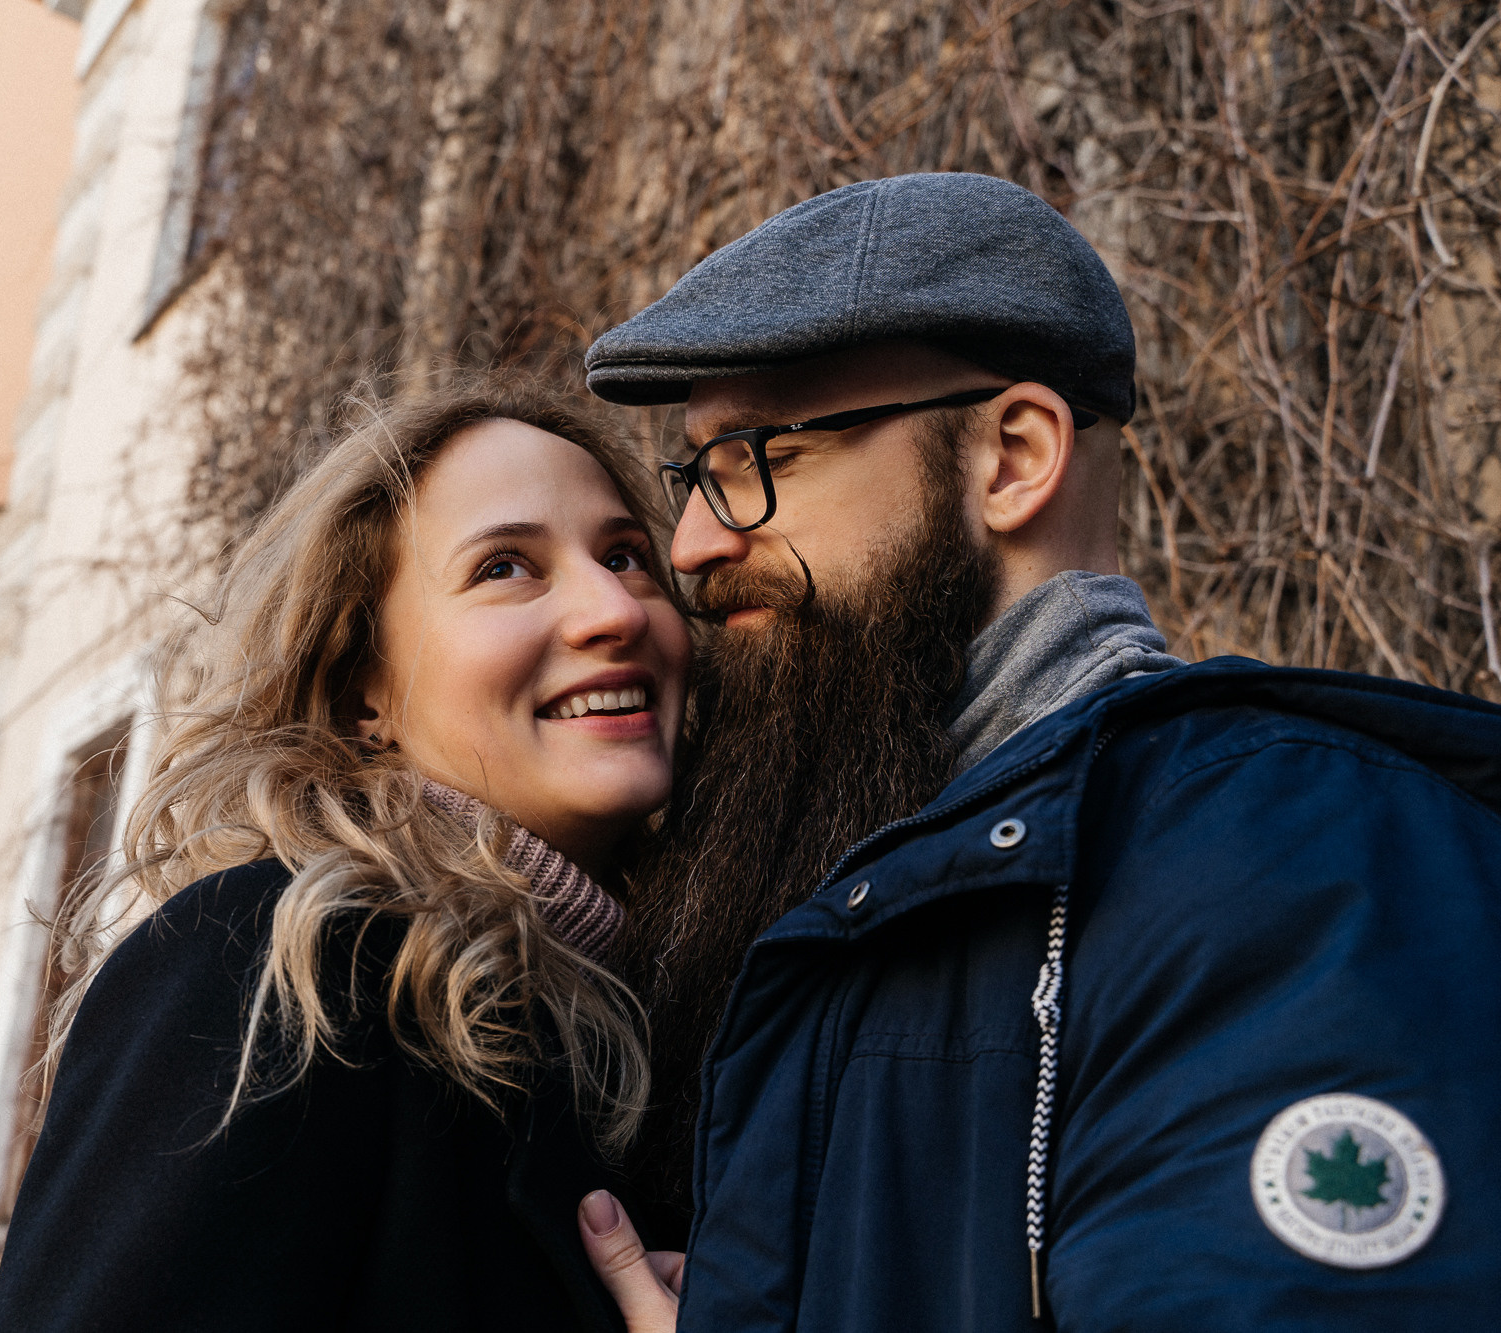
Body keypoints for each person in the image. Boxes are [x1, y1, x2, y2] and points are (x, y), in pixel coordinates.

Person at [569, 172, 1501, 1331]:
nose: (697, 543)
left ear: (1010, 457)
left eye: (761, 458)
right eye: (693, 475)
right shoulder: (821, 886)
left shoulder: (1293, 867)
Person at [0, 378, 692, 1332]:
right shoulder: (270, 960)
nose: (615, 607)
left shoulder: (645, 1021)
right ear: (365, 689)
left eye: (627, 555)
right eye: (504, 567)